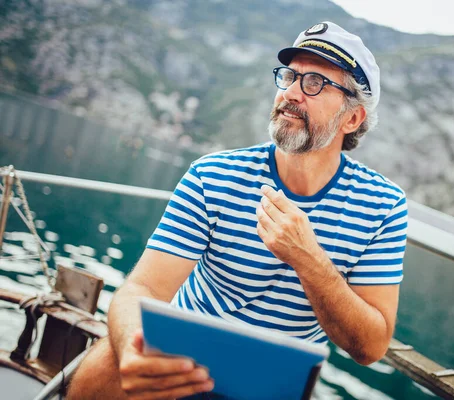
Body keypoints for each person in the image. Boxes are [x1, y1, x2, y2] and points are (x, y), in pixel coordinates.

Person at [67, 21, 408, 400]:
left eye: (314, 83)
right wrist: (133, 349)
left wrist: (308, 259)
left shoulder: (383, 206)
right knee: (105, 362)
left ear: (353, 118)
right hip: (181, 351)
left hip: (269, 382)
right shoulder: (213, 175)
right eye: (290, 77)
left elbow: (370, 347)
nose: (292, 93)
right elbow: (142, 288)